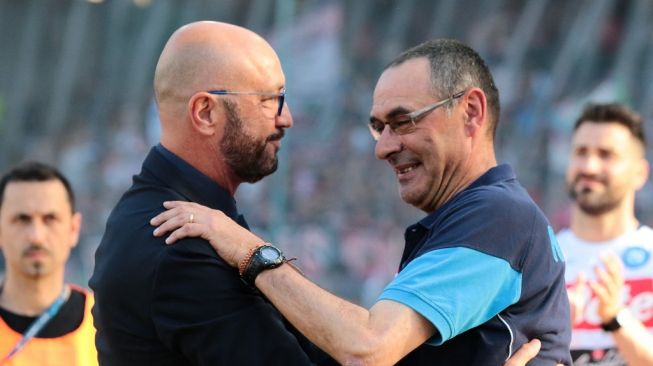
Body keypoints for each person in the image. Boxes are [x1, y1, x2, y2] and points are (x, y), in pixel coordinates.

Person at [151, 39, 573, 365]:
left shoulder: (497, 216)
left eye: (402, 121)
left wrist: (248, 250)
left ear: (471, 111)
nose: (384, 147)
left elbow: (368, 350)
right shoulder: (478, 216)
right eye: (378, 127)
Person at [88, 21, 334, 365]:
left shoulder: (189, 218)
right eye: (269, 100)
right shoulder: (178, 244)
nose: (286, 118)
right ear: (205, 113)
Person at [559, 103, 653, 365]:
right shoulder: (540, 261)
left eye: (606, 154)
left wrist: (614, 317)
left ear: (640, 173)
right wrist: (554, 333)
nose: (589, 166)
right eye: (581, 152)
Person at [0, 161, 97, 365]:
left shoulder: (108, 326)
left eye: (50, 219)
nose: (36, 236)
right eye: (22, 219)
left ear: (73, 228)